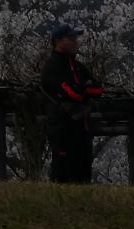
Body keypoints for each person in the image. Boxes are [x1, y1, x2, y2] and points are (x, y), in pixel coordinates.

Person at [41, 23, 103, 185]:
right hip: (62, 127)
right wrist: (85, 89)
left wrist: (84, 89)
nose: (76, 41)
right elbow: (73, 93)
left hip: (82, 126)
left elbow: (98, 90)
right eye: (71, 38)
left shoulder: (78, 67)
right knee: (63, 172)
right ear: (58, 41)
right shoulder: (52, 67)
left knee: (82, 172)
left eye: (76, 38)